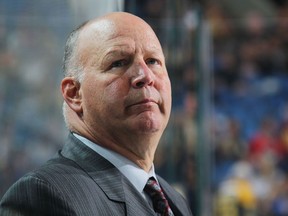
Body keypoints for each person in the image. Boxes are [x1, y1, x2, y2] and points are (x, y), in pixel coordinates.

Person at [0, 12, 193, 216]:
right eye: (118, 63)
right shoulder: (42, 196)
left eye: (153, 61)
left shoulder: (174, 200)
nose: (145, 75)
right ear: (74, 94)